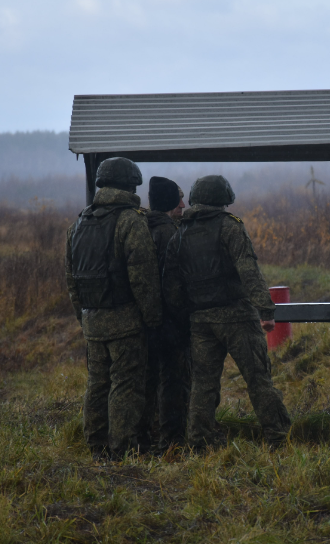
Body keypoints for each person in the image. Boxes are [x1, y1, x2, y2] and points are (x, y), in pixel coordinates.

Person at [164, 175, 291, 450]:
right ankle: (279, 438)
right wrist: (266, 310)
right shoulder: (230, 227)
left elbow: (172, 285)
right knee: (258, 379)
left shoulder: (179, 233)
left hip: (200, 321)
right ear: (223, 199)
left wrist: (186, 315)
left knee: (203, 385)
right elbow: (249, 271)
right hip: (237, 317)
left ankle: (199, 443)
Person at [64, 157, 162, 459]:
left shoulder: (79, 223)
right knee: (126, 385)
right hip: (126, 322)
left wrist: (84, 317)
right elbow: (144, 279)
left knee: (97, 383)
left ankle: (96, 445)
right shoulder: (131, 221)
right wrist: (153, 320)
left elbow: (72, 281)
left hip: (93, 321)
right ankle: (122, 448)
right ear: (131, 185)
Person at [140, 176, 191, 452]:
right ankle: (172, 441)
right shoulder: (171, 234)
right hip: (169, 322)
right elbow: (175, 283)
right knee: (173, 382)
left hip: (142, 322)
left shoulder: (139, 229)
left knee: (146, 381)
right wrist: (182, 318)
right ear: (170, 202)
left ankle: (142, 439)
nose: (183, 205)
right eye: (178, 200)